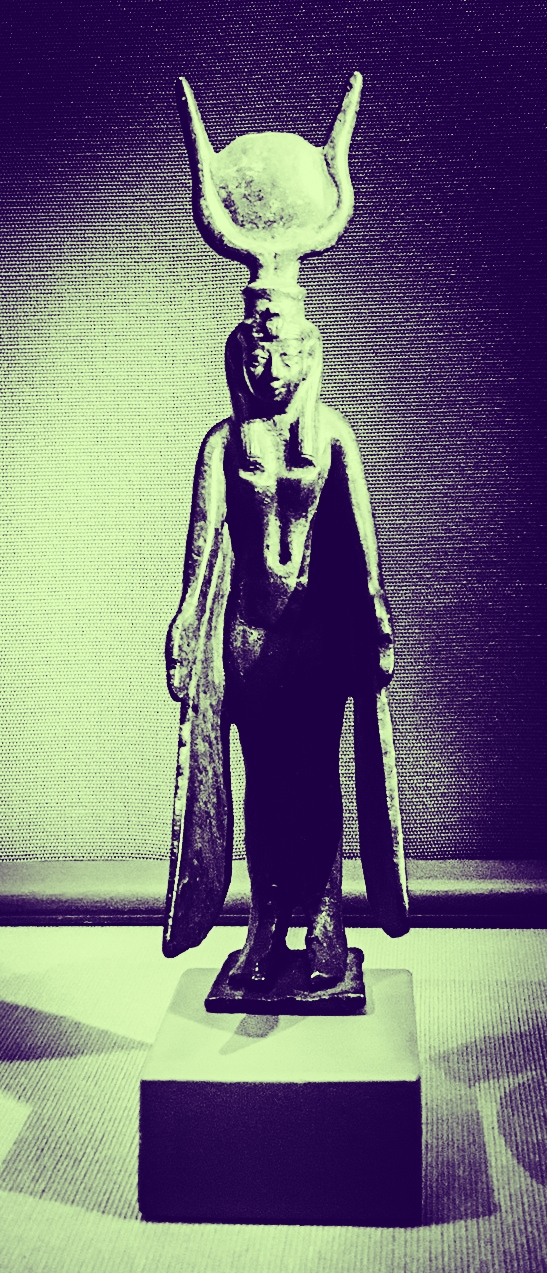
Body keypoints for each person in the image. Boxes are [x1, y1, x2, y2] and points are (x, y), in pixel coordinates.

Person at [163, 286, 409, 986]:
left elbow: (361, 546)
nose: (270, 370)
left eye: (284, 354)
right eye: (257, 354)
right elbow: (203, 547)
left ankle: (326, 918)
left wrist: (376, 617)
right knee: (264, 784)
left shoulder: (331, 436)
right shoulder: (222, 443)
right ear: (238, 358)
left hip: (317, 635)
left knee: (317, 777)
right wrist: (185, 625)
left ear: (308, 357)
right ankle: (266, 920)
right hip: (246, 636)